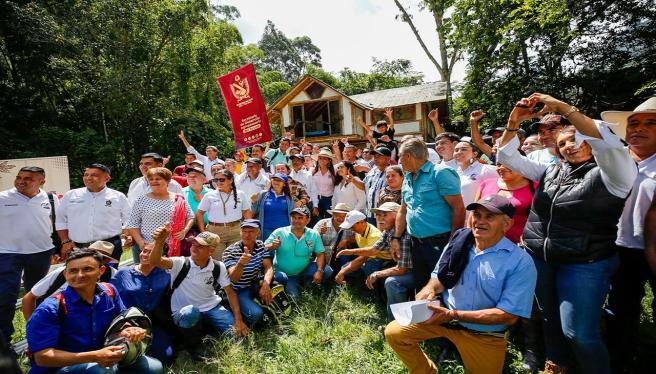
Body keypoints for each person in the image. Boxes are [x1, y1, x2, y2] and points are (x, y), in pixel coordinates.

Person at [497, 93, 637, 374]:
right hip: (542, 259)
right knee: (550, 318)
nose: (569, 146)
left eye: (577, 140)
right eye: (562, 143)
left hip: (585, 263)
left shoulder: (615, 174)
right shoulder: (550, 171)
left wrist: (564, 109)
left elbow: (606, 144)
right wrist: (514, 121)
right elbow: (506, 155)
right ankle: (558, 364)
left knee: (579, 332)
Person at [385, 195, 537, 374]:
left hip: (483, 334)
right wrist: (430, 290)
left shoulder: (520, 261)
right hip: (443, 319)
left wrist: (453, 314)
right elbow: (438, 277)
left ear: (507, 224)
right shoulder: (459, 242)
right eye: (477, 215)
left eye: (489, 217)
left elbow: (508, 316)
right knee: (395, 333)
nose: (480, 221)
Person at [26, 249, 163, 374]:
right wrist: (95, 356)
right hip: (60, 368)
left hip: (103, 357)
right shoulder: (51, 308)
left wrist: (130, 329)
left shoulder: (109, 291)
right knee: (103, 371)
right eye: (73, 271)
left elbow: (120, 322)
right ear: (65, 274)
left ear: (101, 271)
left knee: (154, 367)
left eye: (87, 269)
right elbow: (42, 357)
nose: (80, 275)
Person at [600, 96, 656, 369]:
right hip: (620, 246)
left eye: (650, 123)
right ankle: (621, 359)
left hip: (653, 248)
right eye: (633, 123)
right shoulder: (613, 160)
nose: (638, 128)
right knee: (621, 308)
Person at [148, 227, 249, 360]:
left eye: (200, 246)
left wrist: (238, 320)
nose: (194, 248)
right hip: (184, 311)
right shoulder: (180, 263)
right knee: (191, 313)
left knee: (239, 337)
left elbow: (230, 292)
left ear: (211, 251)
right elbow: (155, 261)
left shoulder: (218, 266)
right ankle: (194, 346)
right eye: (193, 244)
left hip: (211, 306)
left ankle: (206, 330)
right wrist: (160, 242)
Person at [394, 138, 465, 290]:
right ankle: (423, 313)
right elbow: (403, 209)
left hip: (439, 242)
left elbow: (458, 208)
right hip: (416, 243)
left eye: (400, 156)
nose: (398, 160)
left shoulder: (440, 172)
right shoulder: (407, 178)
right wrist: (396, 237)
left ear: (408, 156)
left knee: (441, 286)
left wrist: (453, 242)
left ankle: (445, 313)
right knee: (422, 285)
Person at [0, 166, 58, 344]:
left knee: (39, 294)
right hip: (8, 253)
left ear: (42, 181)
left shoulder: (50, 198)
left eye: (28, 179)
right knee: (5, 296)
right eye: (19, 177)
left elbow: (57, 223)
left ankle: (42, 334)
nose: (21, 181)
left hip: (41, 252)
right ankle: (4, 340)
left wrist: (60, 245)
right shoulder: (2, 198)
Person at [22, 241, 119, 320]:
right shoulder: (61, 272)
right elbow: (29, 298)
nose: (80, 275)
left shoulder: (112, 274)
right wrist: (32, 327)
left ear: (107, 262)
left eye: (101, 258)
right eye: (91, 255)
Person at [111, 240, 173, 364]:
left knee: (166, 356)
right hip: (127, 322)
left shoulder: (166, 275)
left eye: (151, 253)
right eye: (144, 251)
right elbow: (111, 298)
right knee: (125, 356)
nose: (145, 255)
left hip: (153, 323)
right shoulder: (123, 273)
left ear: (162, 257)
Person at [55, 163, 130, 263]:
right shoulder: (71, 195)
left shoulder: (118, 197)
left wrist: (127, 236)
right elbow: (61, 220)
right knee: (81, 276)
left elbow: (129, 219)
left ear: (107, 178)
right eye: (86, 175)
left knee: (108, 275)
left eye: (94, 175)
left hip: (109, 246)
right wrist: (65, 241)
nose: (89, 178)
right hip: (77, 247)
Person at [358, 202, 414, 321]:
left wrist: (377, 274)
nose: (380, 218)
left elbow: (401, 269)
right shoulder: (388, 231)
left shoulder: (404, 234)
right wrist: (347, 251)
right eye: (378, 215)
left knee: (392, 282)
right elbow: (373, 250)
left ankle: (396, 322)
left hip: (417, 273)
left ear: (398, 216)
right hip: (405, 269)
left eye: (385, 215)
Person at [126, 167, 194, 263]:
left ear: (167, 181)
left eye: (158, 179)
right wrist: (141, 242)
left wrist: (184, 231)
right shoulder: (141, 200)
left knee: (170, 275)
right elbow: (133, 224)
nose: (154, 181)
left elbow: (190, 216)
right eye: (151, 179)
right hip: (148, 246)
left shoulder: (178, 198)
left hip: (174, 246)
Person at [265, 207, 334, 298]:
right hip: (286, 274)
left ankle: (308, 285)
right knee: (294, 298)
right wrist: (272, 246)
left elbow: (320, 254)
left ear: (308, 220)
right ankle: (296, 286)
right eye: (294, 217)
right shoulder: (280, 232)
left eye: (300, 218)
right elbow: (263, 248)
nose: (296, 220)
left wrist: (319, 271)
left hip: (304, 269)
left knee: (327, 271)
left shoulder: (313, 234)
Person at [222, 219, 276, 326]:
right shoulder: (230, 251)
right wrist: (241, 264)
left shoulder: (260, 245)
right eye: (244, 231)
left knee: (281, 277)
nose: (247, 235)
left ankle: (269, 304)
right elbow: (234, 278)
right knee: (256, 314)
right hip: (238, 290)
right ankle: (239, 313)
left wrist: (265, 284)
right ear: (240, 232)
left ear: (258, 233)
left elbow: (268, 267)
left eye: (251, 231)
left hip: (254, 284)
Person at [197, 169, 252, 260]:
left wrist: (249, 229)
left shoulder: (240, 194)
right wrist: (203, 230)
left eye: (222, 179)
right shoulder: (209, 195)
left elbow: (246, 212)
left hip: (236, 230)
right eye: (216, 180)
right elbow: (199, 213)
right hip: (215, 231)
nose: (218, 182)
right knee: (218, 260)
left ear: (230, 180)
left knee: (235, 259)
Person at [474, 163, 536, 244]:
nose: (502, 168)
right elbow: (474, 213)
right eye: (498, 164)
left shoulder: (535, 188)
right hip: (484, 243)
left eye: (507, 164)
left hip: (519, 245)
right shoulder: (486, 184)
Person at [333, 210, 383, 284]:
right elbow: (355, 238)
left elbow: (363, 258)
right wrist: (346, 240)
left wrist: (342, 272)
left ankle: (374, 289)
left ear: (362, 222)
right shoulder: (361, 230)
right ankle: (361, 283)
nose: (351, 229)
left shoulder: (374, 235)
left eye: (352, 227)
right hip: (368, 258)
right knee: (345, 268)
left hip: (381, 260)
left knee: (369, 265)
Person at [453, 141, 497, 209]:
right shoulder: (453, 173)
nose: (459, 152)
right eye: (456, 150)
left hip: (477, 216)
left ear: (474, 154)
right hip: (457, 217)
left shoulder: (486, 169)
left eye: (464, 149)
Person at [251, 173, 295, 241]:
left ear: (284, 184)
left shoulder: (289, 198)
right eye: (274, 179)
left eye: (279, 180)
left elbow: (293, 215)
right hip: (265, 231)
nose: (276, 182)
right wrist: (253, 202)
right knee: (267, 250)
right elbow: (254, 211)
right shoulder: (263, 194)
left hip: (284, 231)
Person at [180, 163, 209, 256]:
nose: (191, 178)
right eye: (189, 176)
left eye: (195, 176)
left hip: (208, 227)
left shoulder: (211, 193)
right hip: (187, 228)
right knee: (190, 253)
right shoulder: (180, 192)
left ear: (203, 179)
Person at [362, 146, 391, 225]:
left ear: (388, 158)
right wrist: (352, 179)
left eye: (379, 156)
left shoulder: (392, 172)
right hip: (370, 212)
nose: (375, 158)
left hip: (384, 213)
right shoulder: (372, 170)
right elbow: (363, 186)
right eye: (374, 156)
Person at [312, 149, 337, 219]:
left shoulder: (333, 173)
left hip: (329, 199)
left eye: (325, 158)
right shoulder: (313, 172)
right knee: (316, 219)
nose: (322, 160)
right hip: (316, 199)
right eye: (320, 158)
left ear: (329, 160)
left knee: (328, 219)